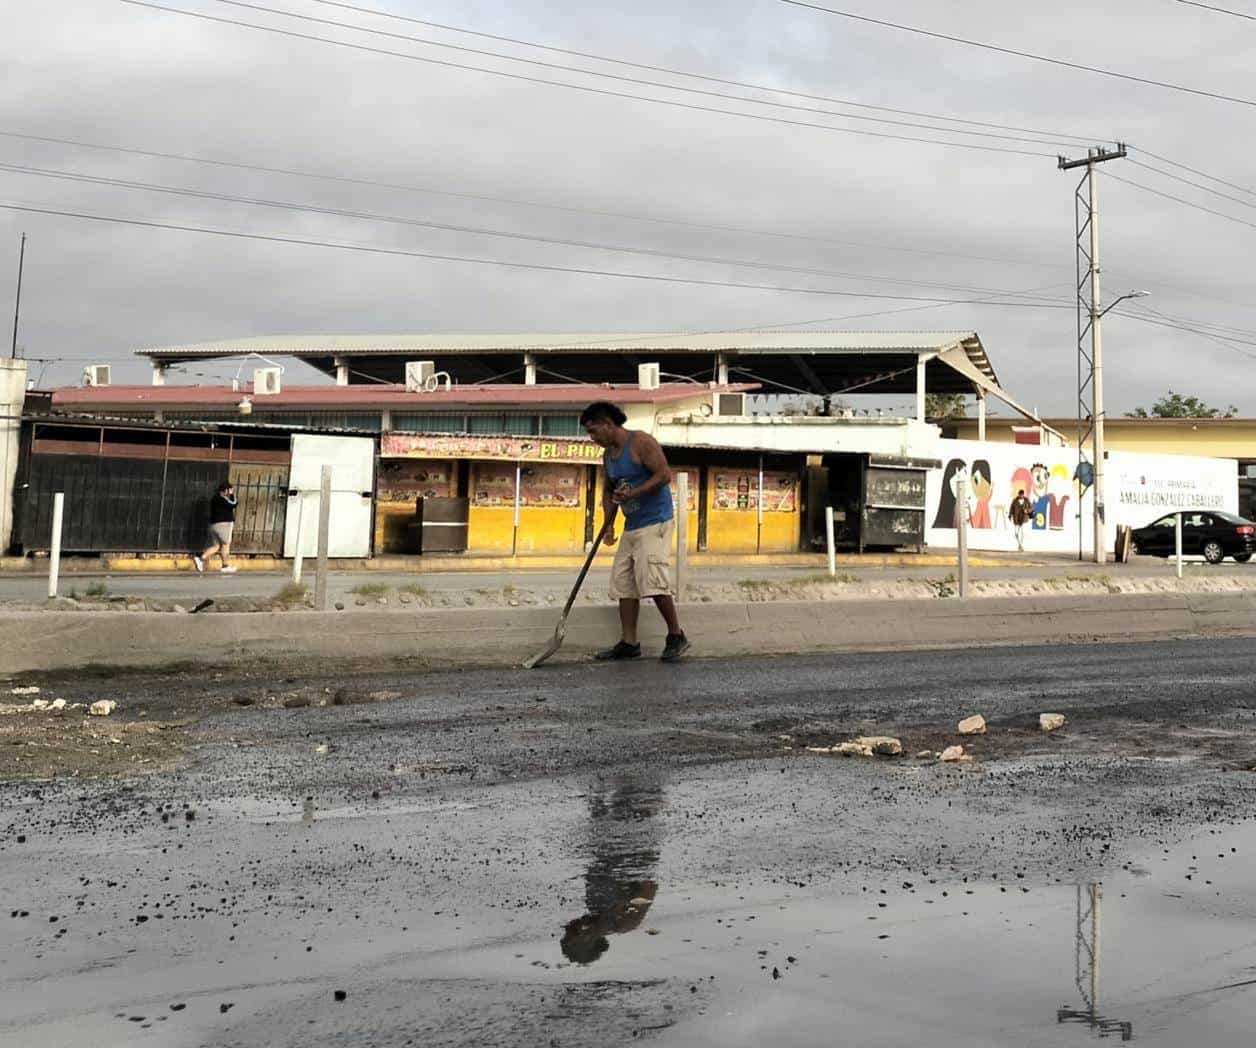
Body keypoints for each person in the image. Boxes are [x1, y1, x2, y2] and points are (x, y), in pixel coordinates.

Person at [580, 401, 690, 662]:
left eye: (594, 431)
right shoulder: (608, 456)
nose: (592, 438)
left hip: (656, 522)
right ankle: (629, 643)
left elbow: (663, 475)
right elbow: (608, 490)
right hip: (632, 525)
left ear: (608, 424)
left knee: (652, 580)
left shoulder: (641, 443)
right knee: (624, 584)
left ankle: (676, 635)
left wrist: (634, 493)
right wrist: (608, 524)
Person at [193, 482, 238, 573]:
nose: (230, 492)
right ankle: (225, 566)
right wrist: (232, 494)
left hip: (214, 525)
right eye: (229, 490)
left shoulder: (214, 498)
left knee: (216, 546)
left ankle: (200, 558)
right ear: (226, 490)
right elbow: (234, 504)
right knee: (226, 544)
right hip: (224, 525)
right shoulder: (222, 499)